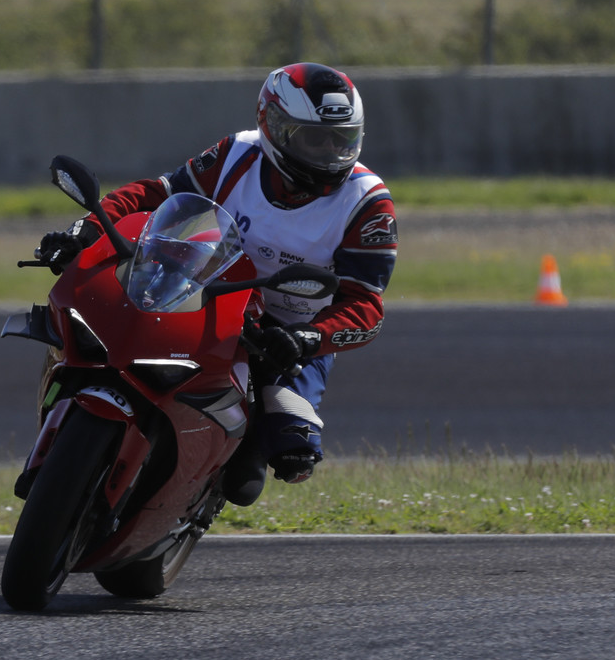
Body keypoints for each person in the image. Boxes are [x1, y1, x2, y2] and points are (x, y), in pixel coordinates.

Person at [36, 62, 398, 494]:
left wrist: (308, 338)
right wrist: (88, 231)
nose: (330, 153)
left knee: (282, 454)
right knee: (94, 326)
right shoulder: (236, 153)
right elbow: (159, 194)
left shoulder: (368, 203)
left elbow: (366, 305)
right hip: (199, 291)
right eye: (314, 138)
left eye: (342, 140)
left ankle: (198, 494)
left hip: (283, 333)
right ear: (274, 126)